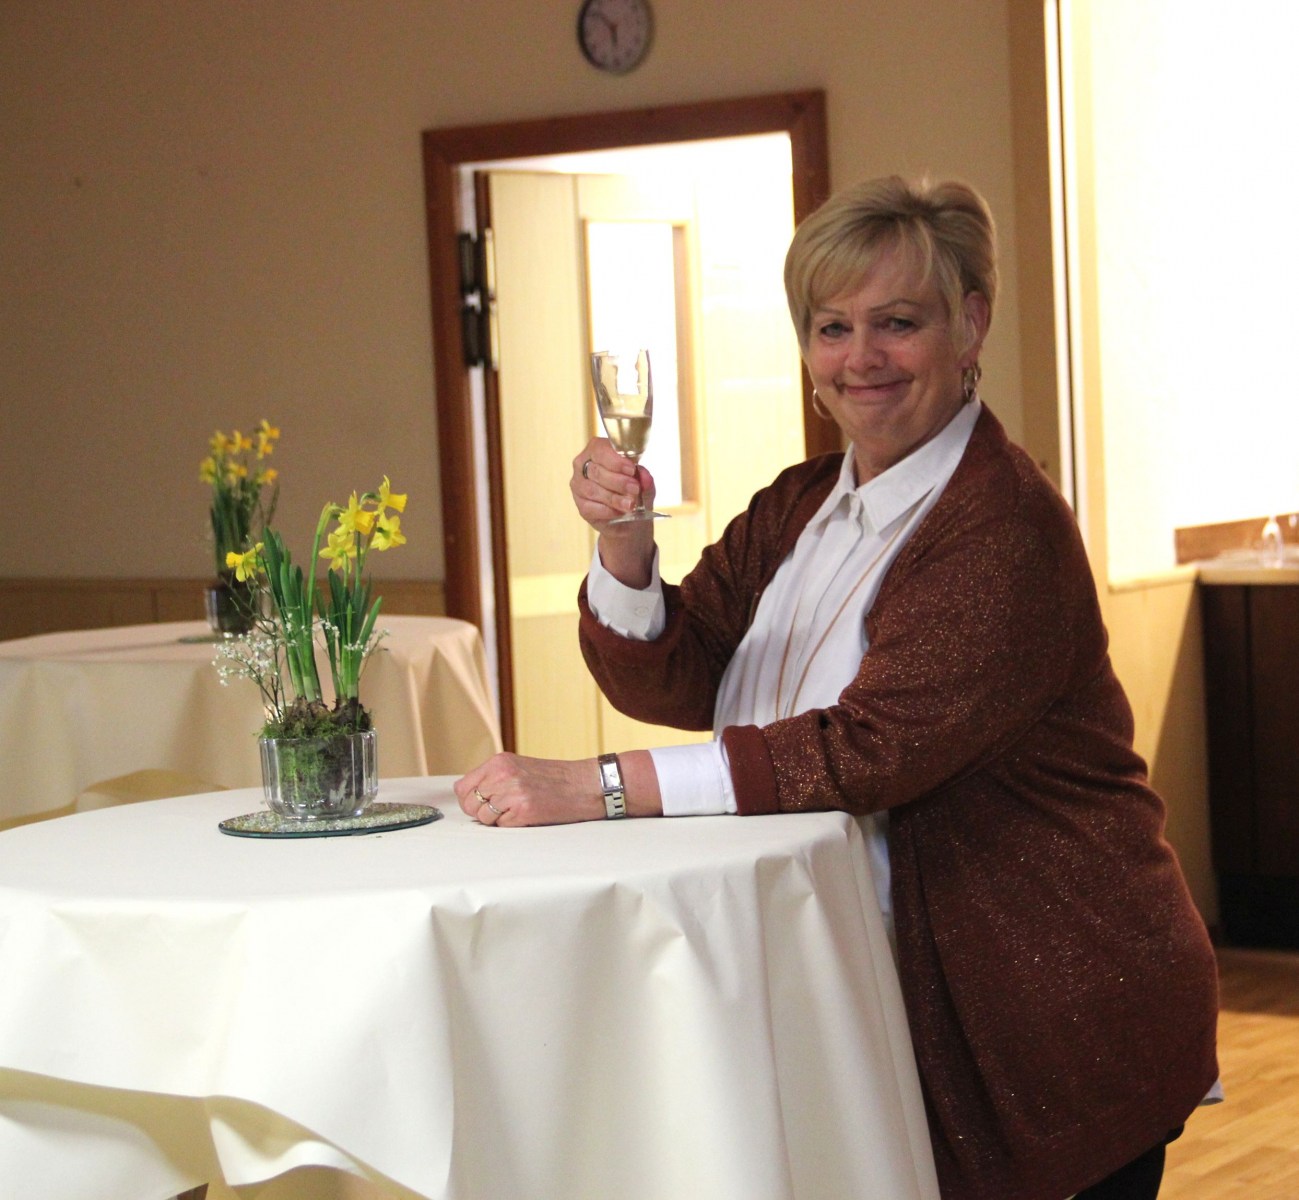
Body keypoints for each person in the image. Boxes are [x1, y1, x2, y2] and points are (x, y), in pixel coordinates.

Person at [453, 176, 1219, 1200]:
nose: (861, 358)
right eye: (832, 327)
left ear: (970, 324)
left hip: (1047, 1016)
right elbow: (683, 671)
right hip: (869, 987)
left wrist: (596, 787)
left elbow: (864, 751)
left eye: (898, 322)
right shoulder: (802, 502)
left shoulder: (1001, 523)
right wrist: (625, 543)